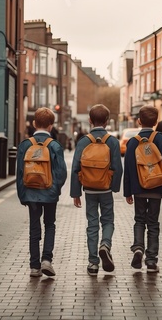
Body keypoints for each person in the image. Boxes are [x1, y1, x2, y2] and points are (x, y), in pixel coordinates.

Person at [70, 104, 123, 276]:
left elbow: (76, 167)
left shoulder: (84, 141)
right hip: (105, 190)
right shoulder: (113, 141)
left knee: (92, 225)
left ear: (90, 121)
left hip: (89, 191)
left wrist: (76, 193)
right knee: (108, 221)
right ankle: (105, 244)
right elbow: (118, 168)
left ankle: (93, 263)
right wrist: (113, 187)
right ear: (107, 122)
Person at [123, 105, 162, 273]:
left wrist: (127, 192)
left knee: (139, 220)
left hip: (139, 188)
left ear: (139, 121)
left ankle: (138, 248)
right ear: (156, 122)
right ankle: (151, 260)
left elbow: (129, 169)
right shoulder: (161, 140)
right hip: (157, 187)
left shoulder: (133, 142)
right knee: (153, 223)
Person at [16, 107, 67, 277]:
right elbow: (61, 173)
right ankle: (47, 260)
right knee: (50, 224)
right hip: (49, 193)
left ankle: (34, 267)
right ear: (51, 126)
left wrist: (22, 195)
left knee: (34, 227)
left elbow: (20, 173)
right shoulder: (54, 146)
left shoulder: (25, 145)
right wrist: (56, 189)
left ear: (34, 124)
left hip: (30, 193)